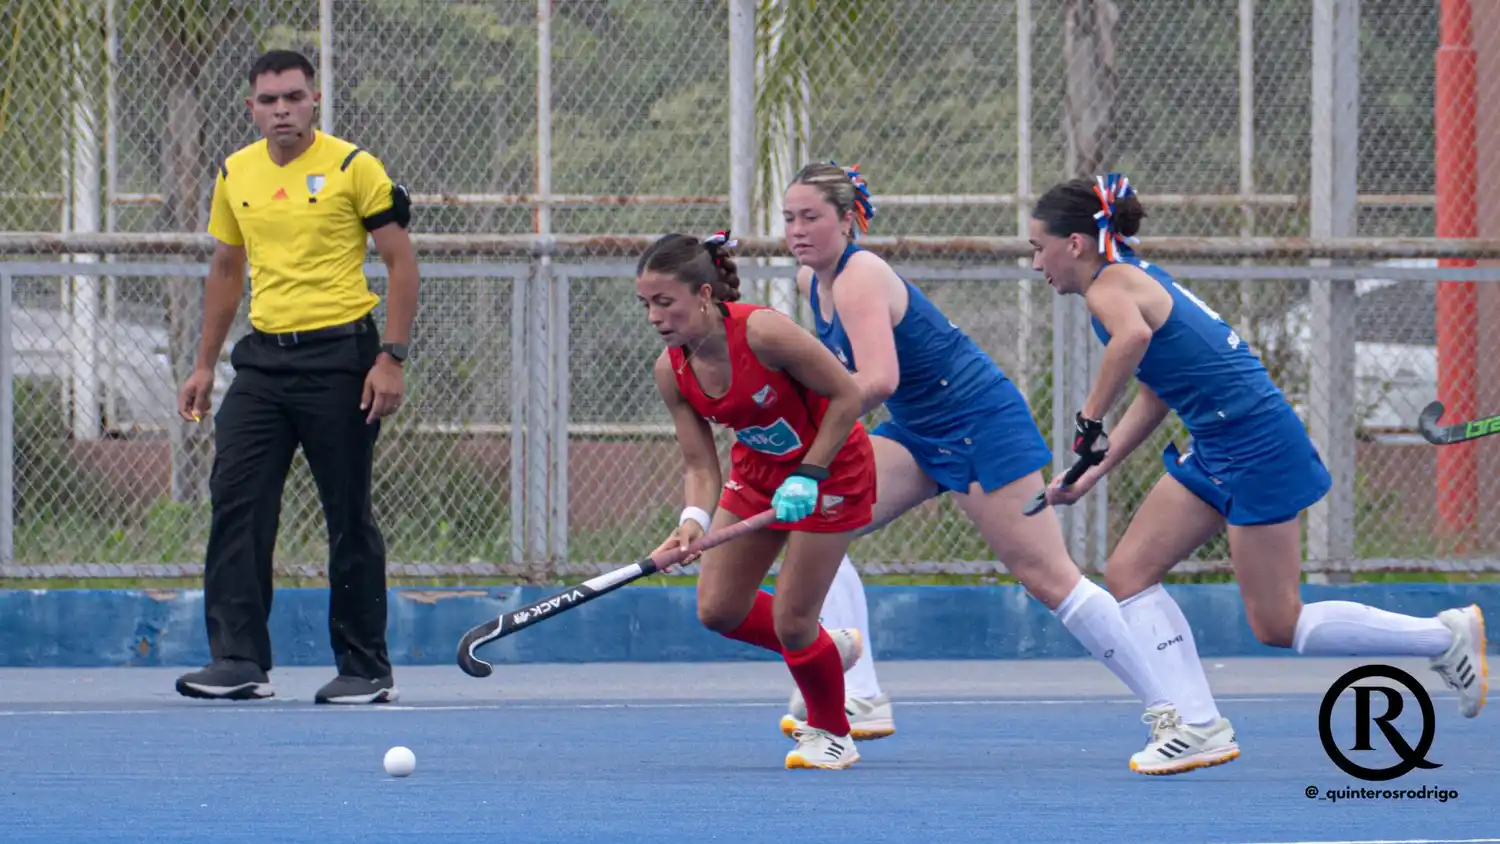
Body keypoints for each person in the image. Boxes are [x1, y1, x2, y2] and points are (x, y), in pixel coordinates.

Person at [1033, 172, 1488, 772]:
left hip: (1254, 443)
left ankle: (1443, 635)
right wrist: (1094, 465)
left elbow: (1132, 339)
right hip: (1220, 441)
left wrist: (1088, 420)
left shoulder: (1109, 289)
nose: (1036, 263)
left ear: (1075, 243)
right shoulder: (1126, 282)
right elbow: (1156, 391)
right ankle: (1200, 726)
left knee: (1277, 621)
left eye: (1039, 247)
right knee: (1129, 572)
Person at [777, 161, 1194, 774]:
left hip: (979, 424)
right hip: (920, 430)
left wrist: (814, 444)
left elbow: (877, 379)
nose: (797, 229)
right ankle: (859, 695)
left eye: (811, 216)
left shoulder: (859, 277)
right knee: (817, 523)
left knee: (1048, 577)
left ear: (847, 220)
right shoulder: (813, 281)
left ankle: (1177, 713)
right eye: (789, 218)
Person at [172, 49, 420, 705]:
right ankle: (238, 659)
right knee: (237, 502)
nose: (282, 109)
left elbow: (400, 263)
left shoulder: (351, 167)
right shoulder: (236, 173)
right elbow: (227, 268)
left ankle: (365, 669)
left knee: (348, 515)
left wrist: (390, 357)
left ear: (314, 101)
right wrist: (203, 364)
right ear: (251, 107)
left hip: (343, 359)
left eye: (294, 96)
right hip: (263, 362)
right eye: (269, 99)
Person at [641, 230, 873, 770]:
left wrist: (811, 474)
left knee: (793, 619)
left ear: (703, 294)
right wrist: (693, 520)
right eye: (647, 304)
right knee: (719, 610)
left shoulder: (763, 332)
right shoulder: (670, 370)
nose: (654, 316)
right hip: (759, 475)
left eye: (665, 302)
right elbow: (701, 464)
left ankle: (833, 734)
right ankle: (820, 647)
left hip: (834, 470)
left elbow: (847, 396)